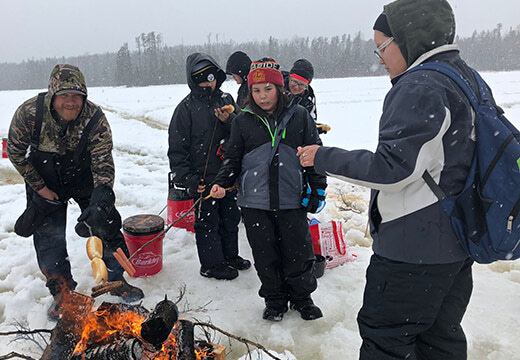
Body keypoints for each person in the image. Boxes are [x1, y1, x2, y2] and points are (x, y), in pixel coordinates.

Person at [297, 0, 487, 357]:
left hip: (413, 251)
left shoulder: (420, 87)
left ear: (407, 40)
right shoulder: (464, 76)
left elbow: (391, 169)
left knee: (386, 340)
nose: (379, 57)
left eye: (382, 47)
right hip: (457, 242)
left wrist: (321, 156)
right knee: (440, 338)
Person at [8, 64, 144, 320]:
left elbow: (103, 159)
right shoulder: (29, 114)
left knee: (107, 226)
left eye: (77, 95)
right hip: (44, 176)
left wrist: (101, 197)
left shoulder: (94, 118)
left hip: (84, 176)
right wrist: (40, 187)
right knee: (48, 239)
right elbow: (16, 152)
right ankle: (62, 293)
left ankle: (115, 280)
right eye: (64, 95)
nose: (70, 102)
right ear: (52, 95)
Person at [211, 57, 326, 321]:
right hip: (255, 203)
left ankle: (302, 298)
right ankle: (274, 300)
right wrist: (222, 182)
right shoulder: (243, 121)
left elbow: (314, 155)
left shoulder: (299, 117)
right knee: (265, 255)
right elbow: (233, 158)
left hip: (291, 199)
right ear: (250, 92)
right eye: (256, 90)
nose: (262, 96)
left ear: (279, 88)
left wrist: (317, 189)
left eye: (268, 89)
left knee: (298, 252)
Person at [167, 53, 251, 281]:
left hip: (228, 175)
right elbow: (176, 151)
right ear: (192, 80)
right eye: (201, 78)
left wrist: (229, 121)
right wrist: (189, 179)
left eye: (211, 76)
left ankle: (230, 255)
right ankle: (212, 264)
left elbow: (243, 133)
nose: (207, 82)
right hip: (202, 179)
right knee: (207, 222)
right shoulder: (184, 109)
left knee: (231, 217)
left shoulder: (227, 100)